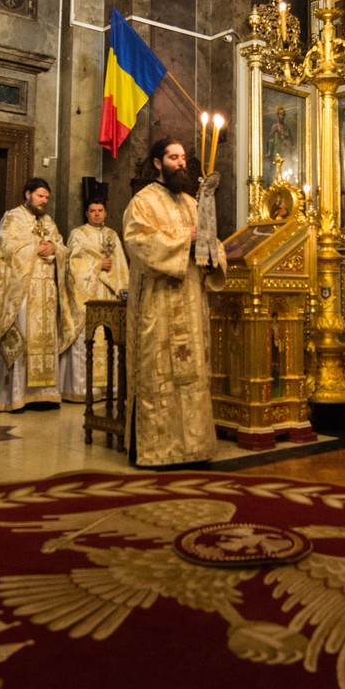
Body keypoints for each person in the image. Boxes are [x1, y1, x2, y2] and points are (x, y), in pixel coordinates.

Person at [123, 137, 226, 465]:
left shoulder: (192, 203)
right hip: (159, 305)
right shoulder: (142, 202)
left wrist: (210, 251)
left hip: (191, 302)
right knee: (159, 372)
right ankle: (157, 449)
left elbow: (212, 241)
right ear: (158, 163)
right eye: (173, 157)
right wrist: (185, 239)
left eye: (183, 157)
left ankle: (195, 447)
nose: (181, 163)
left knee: (192, 372)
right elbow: (138, 243)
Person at [0, 179, 84, 411]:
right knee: (24, 340)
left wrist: (55, 249)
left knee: (46, 340)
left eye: (46, 198)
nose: (44, 201)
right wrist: (35, 248)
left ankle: (45, 394)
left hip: (47, 292)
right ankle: (17, 395)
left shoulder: (49, 221)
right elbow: (5, 248)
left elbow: (62, 248)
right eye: (40, 196)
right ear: (28, 194)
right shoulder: (12, 217)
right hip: (24, 291)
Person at [60, 196, 129, 402]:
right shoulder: (78, 234)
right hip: (87, 297)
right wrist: (98, 265)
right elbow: (72, 264)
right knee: (87, 339)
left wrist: (122, 290)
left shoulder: (112, 235)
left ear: (105, 213)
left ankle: (110, 388)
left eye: (100, 210)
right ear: (87, 213)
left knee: (109, 340)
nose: (97, 214)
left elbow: (121, 265)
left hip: (108, 294)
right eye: (92, 211)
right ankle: (83, 390)